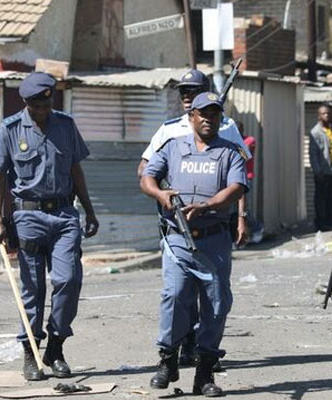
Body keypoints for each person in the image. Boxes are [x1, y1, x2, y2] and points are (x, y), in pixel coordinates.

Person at [0, 72, 99, 381]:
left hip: (63, 215)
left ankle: (56, 346)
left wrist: (89, 210)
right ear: (26, 103)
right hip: (28, 217)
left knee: (69, 280)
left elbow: (75, 169)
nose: (43, 111)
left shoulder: (66, 125)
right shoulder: (9, 129)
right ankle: (31, 353)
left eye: (47, 105)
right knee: (33, 289)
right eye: (37, 106)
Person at [138, 69, 250, 368]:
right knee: (176, 295)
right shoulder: (170, 134)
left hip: (214, 230)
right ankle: (173, 353)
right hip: (177, 229)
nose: (187, 96)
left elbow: (239, 182)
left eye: (194, 90)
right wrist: (162, 193)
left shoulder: (227, 132)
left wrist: (241, 216)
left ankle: (205, 359)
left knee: (214, 299)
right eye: (184, 92)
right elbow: (145, 171)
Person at [309, 103, 332, 231]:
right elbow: (313, 154)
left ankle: (331, 220)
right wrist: (318, 171)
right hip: (323, 171)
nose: (327, 115)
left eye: (329, 113)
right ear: (319, 116)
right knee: (321, 198)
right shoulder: (316, 132)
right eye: (324, 113)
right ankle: (321, 223)